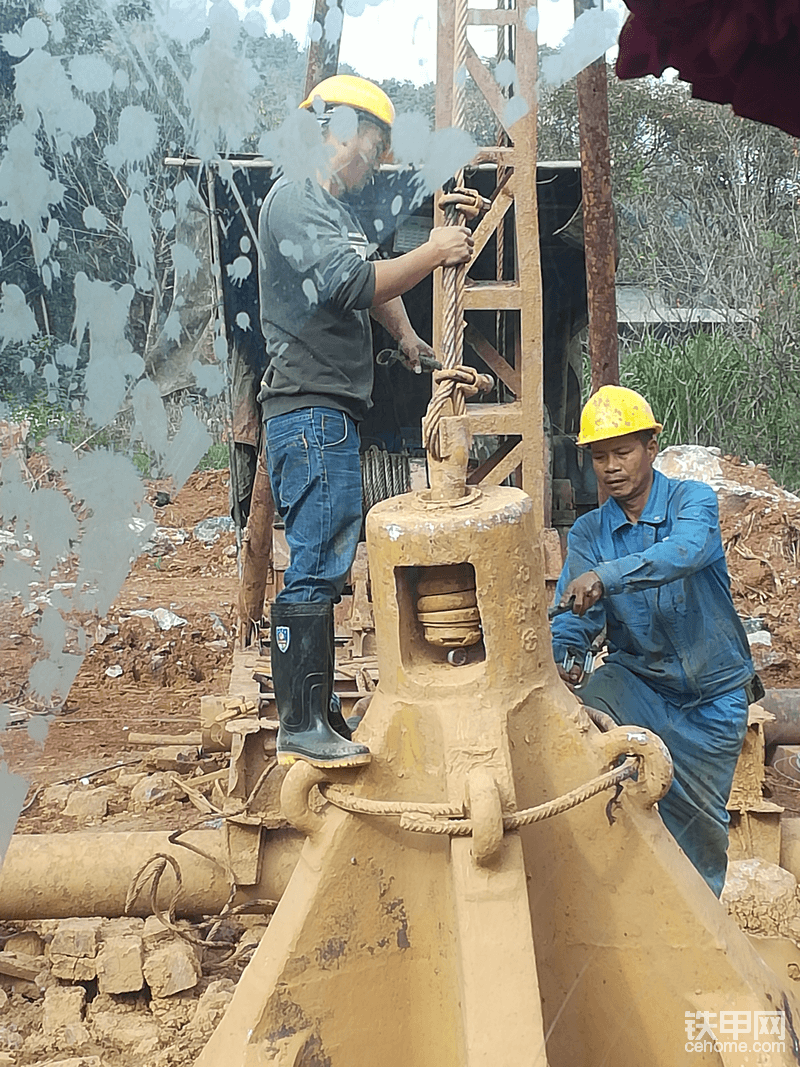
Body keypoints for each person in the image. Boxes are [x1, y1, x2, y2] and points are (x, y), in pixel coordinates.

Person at [257, 75, 474, 769]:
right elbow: (352, 282)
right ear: (339, 131)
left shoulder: (327, 208)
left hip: (328, 410)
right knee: (316, 563)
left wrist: (408, 339)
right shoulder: (293, 200)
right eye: (374, 149)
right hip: (310, 408)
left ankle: (316, 709)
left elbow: (371, 281)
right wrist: (435, 251)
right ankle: (299, 722)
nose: (374, 165)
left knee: (325, 557)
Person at [550, 385, 755, 897]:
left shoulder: (693, 502)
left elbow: (685, 552)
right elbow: (576, 617)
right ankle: (613, 892)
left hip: (712, 700)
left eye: (622, 452)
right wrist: (566, 657)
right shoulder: (588, 533)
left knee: (702, 833)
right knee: (585, 712)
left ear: (650, 448)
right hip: (640, 683)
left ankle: (701, 938)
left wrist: (606, 576)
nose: (611, 466)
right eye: (599, 456)